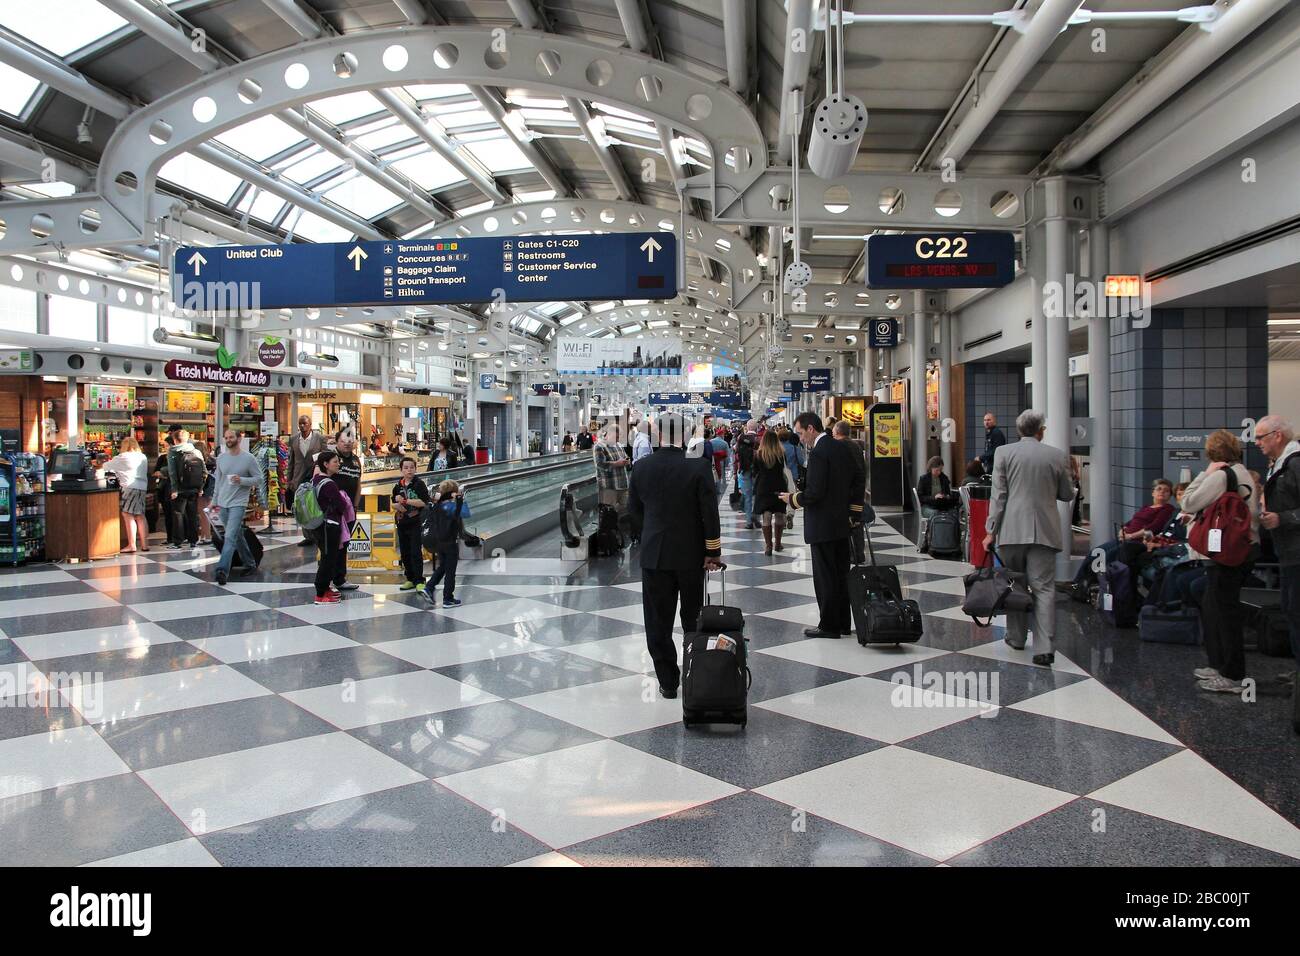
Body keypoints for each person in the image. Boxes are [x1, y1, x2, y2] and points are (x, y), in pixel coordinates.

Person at [628, 413, 723, 697]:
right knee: (693, 617)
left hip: (655, 555)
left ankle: (668, 681)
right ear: (686, 434)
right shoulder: (699, 467)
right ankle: (696, 672)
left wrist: (648, 537)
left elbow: (634, 513)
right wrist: (712, 551)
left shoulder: (641, 467)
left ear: (657, 432)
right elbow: (710, 513)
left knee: (657, 620)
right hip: (692, 555)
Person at [982, 409, 1076, 667]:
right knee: (1044, 588)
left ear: (1019, 430)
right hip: (1045, 532)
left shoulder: (1004, 453)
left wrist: (991, 530)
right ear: (1041, 430)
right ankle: (1044, 648)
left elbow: (998, 496)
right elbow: (1067, 495)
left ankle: (1016, 636)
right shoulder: (1057, 456)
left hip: (1011, 530)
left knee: (1015, 584)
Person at [1182, 429, 1259, 694]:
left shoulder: (1221, 475)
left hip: (1225, 553)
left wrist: (1206, 473)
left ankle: (1233, 674)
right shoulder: (1243, 472)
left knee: (1224, 612)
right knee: (1214, 606)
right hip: (1241, 548)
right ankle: (1219, 663)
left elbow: (1188, 500)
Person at [779, 412, 860, 639]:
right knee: (841, 574)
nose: (800, 437)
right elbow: (857, 479)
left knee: (825, 576)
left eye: (801, 433)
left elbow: (814, 493)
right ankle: (843, 622)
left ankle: (828, 625)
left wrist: (792, 500)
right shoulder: (843, 448)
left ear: (812, 429)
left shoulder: (818, 453)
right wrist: (853, 511)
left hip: (822, 525)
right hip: (841, 523)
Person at [1255, 415, 1300, 721]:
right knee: (1291, 611)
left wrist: (1280, 519)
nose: (1256, 443)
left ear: (1278, 436)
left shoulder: (1294, 464)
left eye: (1261, 437)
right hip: (1288, 552)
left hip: (1297, 552)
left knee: (1296, 612)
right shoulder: (1279, 465)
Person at [1069, 478, 1175, 600]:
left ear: (1169, 495)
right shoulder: (1146, 507)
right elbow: (1132, 521)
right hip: (1125, 538)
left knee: (1104, 557)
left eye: (1166, 491)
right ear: (1153, 492)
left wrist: (1130, 535)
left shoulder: (1166, 509)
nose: (1162, 492)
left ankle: (1089, 586)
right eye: (1159, 489)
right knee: (1096, 552)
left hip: (1136, 542)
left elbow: (1153, 527)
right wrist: (1123, 529)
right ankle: (1077, 583)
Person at [211, 427, 267, 586]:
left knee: (229, 537)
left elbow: (258, 479)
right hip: (223, 503)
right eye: (226, 438)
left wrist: (241, 480)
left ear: (239, 439)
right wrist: (214, 501)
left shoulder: (248, 459)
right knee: (237, 536)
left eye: (231, 437)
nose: (228, 440)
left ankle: (222, 570)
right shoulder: (221, 458)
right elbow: (218, 482)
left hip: (238, 503)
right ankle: (250, 564)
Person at [308, 450, 350, 605]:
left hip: (319, 525)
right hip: (329, 525)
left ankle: (325, 588)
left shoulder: (316, 480)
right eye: (335, 462)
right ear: (325, 464)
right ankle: (320, 593)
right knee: (328, 558)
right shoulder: (329, 484)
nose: (338, 464)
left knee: (327, 556)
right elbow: (341, 505)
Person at [422, 479, 470, 608]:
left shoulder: (437, 506)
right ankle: (448, 598)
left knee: (442, 567)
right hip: (450, 543)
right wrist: (460, 499)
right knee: (450, 571)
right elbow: (466, 513)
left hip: (439, 542)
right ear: (453, 493)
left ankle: (429, 587)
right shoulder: (451, 506)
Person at [101, 437, 150, 553]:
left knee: (128, 515)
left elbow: (105, 467)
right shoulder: (143, 457)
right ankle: (145, 544)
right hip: (142, 487)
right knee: (140, 516)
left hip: (128, 487)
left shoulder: (122, 457)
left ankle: (132, 545)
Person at [391, 456, 431, 591]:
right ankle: (410, 578)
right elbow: (393, 503)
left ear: (415, 468)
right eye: (406, 468)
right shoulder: (398, 486)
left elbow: (423, 502)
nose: (409, 470)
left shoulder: (419, 484)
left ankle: (419, 580)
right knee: (405, 553)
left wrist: (405, 501)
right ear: (401, 470)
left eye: (412, 467)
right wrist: (397, 504)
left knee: (415, 552)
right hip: (402, 523)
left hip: (416, 522)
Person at [332, 430, 363, 593]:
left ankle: (340, 578)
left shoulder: (356, 460)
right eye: (344, 441)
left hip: (349, 510)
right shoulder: (331, 458)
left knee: (344, 543)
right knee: (332, 543)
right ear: (337, 442)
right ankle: (329, 577)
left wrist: (356, 505)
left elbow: (358, 483)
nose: (347, 444)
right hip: (333, 509)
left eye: (350, 441)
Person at [289, 415, 327, 546]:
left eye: (304, 423)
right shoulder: (294, 439)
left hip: (314, 475)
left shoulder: (319, 438)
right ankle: (308, 536)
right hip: (299, 476)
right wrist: (290, 479)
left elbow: (325, 456)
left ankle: (318, 534)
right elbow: (291, 461)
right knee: (302, 507)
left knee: (314, 505)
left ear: (310, 424)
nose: (302, 426)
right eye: (300, 424)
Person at [752, 429, 790, 555]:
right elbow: (784, 468)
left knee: (766, 516)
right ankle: (778, 544)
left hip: (764, 487)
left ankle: (768, 546)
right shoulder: (781, 453)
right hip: (779, 485)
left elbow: (755, 471)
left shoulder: (759, 454)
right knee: (780, 515)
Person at [166, 429, 205, 550]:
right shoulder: (196, 451)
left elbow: (172, 472)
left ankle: (177, 541)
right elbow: (204, 471)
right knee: (192, 514)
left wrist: (174, 489)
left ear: (174, 439)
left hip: (180, 489)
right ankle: (193, 540)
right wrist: (200, 487)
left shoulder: (172, 452)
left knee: (178, 514)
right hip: (194, 488)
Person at [594, 422, 631, 510]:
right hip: (609, 487)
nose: (618, 439)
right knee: (608, 514)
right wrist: (616, 464)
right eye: (617, 437)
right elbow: (600, 465)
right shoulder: (599, 446)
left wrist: (627, 461)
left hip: (623, 485)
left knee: (624, 513)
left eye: (619, 437)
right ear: (610, 433)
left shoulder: (618, 445)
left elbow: (625, 457)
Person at [734, 420, 760, 529]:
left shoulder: (740, 439)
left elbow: (736, 455)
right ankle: (757, 519)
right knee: (757, 496)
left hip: (744, 470)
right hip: (757, 471)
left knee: (747, 497)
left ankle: (749, 522)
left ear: (747, 428)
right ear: (756, 428)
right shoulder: (759, 439)